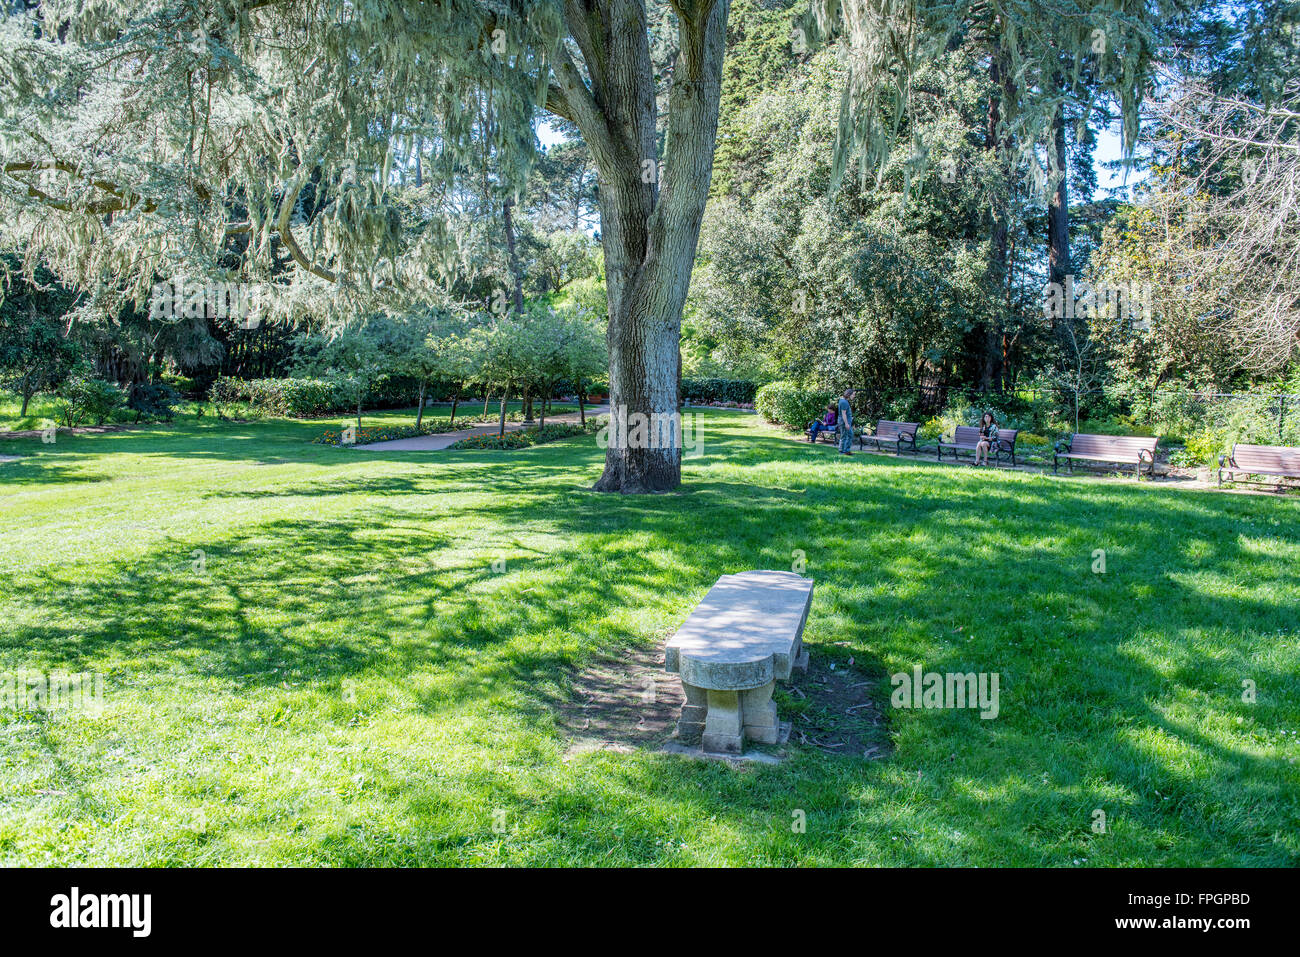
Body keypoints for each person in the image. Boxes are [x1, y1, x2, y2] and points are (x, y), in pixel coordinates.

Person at [837, 389, 856, 455]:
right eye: (853, 394)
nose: (854, 396)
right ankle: (842, 451)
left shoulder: (844, 401)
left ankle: (846, 450)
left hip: (846, 422)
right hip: (844, 422)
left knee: (850, 435)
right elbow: (843, 414)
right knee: (844, 436)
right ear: (849, 394)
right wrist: (846, 423)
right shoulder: (844, 402)